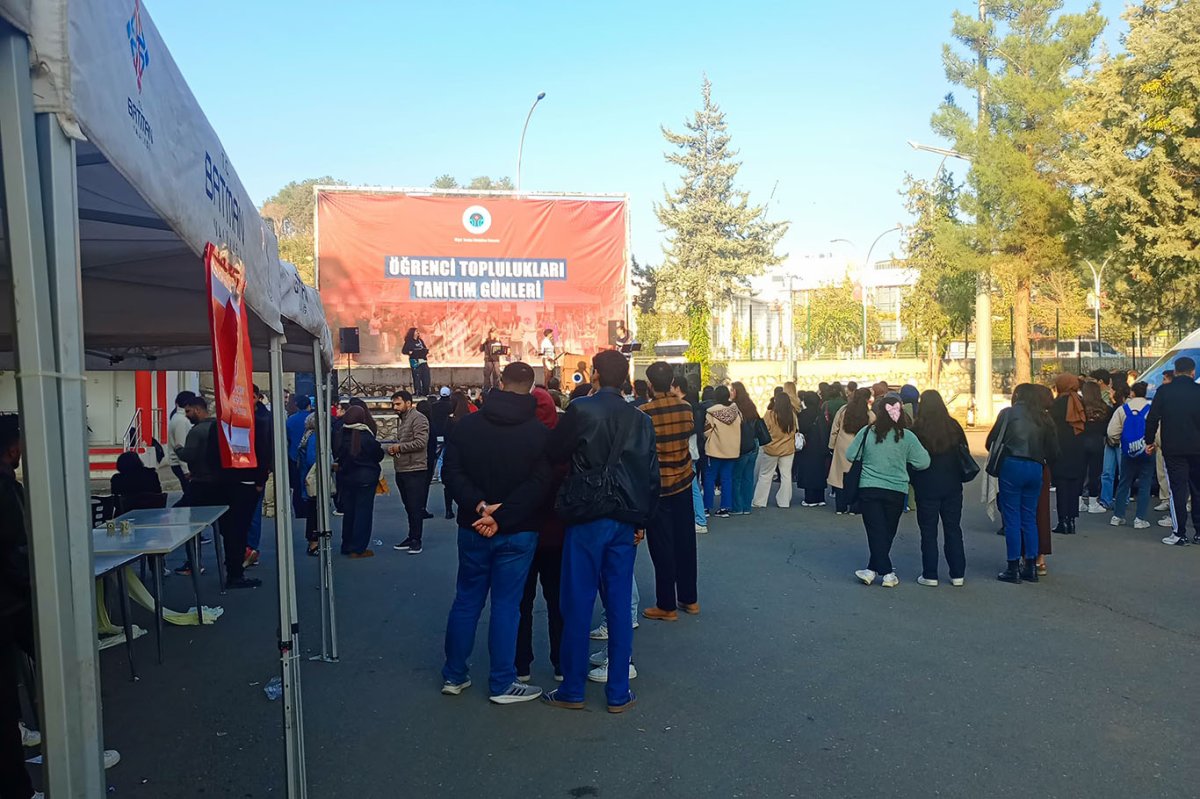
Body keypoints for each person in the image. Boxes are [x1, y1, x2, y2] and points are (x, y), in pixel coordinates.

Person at [543, 350, 658, 714]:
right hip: (624, 517)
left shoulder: (581, 410)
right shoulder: (641, 419)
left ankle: (573, 689)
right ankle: (618, 691)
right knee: (619, 604)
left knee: (576, 602)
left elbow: (554, 451)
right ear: (626, 378)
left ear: (593, 374)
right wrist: (641, 522)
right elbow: (650, 474)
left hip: (586, 514)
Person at [440, 362, 550, 704]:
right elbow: (541, 483)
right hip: (518, 530)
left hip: (473, 526)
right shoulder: (539, 433)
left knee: (467, 599)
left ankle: (454, 675)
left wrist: (479, 507)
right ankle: (502, 682)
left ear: (499, 382)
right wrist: (504, 515)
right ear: (531, 388)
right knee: (507, 605)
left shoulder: (467, 425)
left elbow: (451, 472)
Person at [640, 361, 699, 622]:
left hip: (659, 486)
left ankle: (666, 605)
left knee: (662, 545)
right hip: (684, 481)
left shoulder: (644, 412)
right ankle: (690, 598)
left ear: (650, 385)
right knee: (686, 541)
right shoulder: (686, 408)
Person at [850, 396, 930, 587]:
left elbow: (851, 454)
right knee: (887, 530)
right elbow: (923, 462)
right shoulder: (907, 436)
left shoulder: (868, 432)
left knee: (875, 530)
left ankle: (873, 570)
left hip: (869, 486)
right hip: (896, 489)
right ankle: (885, 572)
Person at [516, 387, 567, 684]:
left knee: (521, 602)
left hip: (523, 530)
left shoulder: (519, 441)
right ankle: (561, 662)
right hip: (557, 535)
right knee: (558, 601)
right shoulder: (562, 444)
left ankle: (521, 664)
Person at [910, 390, 967, 586]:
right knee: (953, 529)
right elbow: (963, 452)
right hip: (952, 484)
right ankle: (957, 573)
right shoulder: (953, 426)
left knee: (928, 531)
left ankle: (930, 574)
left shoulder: (917, 428)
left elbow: (911, 459)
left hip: (926, 485)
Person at [1144, 356, 1200, 546]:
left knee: (1177, 489)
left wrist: (1149, 441)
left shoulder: (1164, 391)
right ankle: (1199, 532)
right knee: (1198, 489)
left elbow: (1152, 418)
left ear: (1175, 371)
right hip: (1197, 448)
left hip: (1173, 448)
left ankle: (1179, 532)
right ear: (1193, 372)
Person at [336, 406, 384, 557]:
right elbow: (378, 454)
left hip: (347, 477)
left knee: (349, 512)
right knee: (363, 512)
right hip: (365, 477)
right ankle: (358, 547)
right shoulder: (366, 436)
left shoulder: (340, 434)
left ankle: (347, 544)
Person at [388, 391, 431, 555]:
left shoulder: (418, 418)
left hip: (415, 469)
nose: (395, 407)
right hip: (403, 468)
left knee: (414, 506)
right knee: (409, 506)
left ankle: (416, 540)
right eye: (393, 404)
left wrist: (399, 448)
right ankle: (411, 536)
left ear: (408, 403)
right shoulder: (404, 420)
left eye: (398, 404)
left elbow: (421, 442)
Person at [1109, 381, 1154, 529]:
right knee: (1145, 483)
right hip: (1147, 449)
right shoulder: (1150, 409)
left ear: (1132, 393)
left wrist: (1119, 441)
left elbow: (1112, 432)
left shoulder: (1123, 409)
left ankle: (1118, 516)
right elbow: (1158, 430)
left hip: (1127, 451)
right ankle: (1139, 519)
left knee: (1124, 482)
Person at [1050, 374, 1087, 534]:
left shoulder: (1056, 404)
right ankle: (1072, 520)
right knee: (1074, 485)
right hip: (1078, 448)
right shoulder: (1080, 402)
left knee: (1062, 486)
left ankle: (1062, 521)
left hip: (1060, 448)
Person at [671, 376, 707, 534]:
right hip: (694, 450)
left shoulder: (684, 406)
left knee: (692, 487)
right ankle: (697, 518)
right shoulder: (695, 405)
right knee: (692, 486)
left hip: (686, 451)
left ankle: (700, 519)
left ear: (677, 388)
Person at [828, 388, 872, 514]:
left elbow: (834, 429)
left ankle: (840, 507)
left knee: (840, 477)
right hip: (860, 448)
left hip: (842, 446)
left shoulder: (843, 410)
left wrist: (831, 446)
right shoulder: (869, 414)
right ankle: (855, 507)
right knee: (857, 477)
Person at [703, 386, 741, 519]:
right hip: (732, 450)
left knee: (709, 478)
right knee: (727, 478)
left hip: (715, 450)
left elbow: (706, 431)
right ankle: (725, 507)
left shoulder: (711, 412)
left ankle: (706, 507)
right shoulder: (736, 411)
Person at [753, 393, 796, 508]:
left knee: (765, 475)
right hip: (788, 449)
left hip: (771, 448)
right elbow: (795, 430)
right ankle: (784, 501)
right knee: (786, 475)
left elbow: (764, 430)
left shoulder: (770, 414)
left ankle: (759, 501)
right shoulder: (792, 415)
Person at [1080, 381, 1110, 515]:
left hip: (1081, 441)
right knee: (1095, 472)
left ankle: (1079, 502)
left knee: (1080, 472)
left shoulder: (1080, 407)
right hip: (1098, 442)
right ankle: (1093, 502)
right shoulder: (1105, 408)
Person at [729, 381, 759, 515]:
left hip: (741, 445)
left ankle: (737, 506)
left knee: (736, 477)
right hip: (754, 443)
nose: (730, 392)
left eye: (732, 390)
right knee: (748, 476)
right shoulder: (751, 405)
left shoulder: (734, 407)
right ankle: (747, 506)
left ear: (736, 392)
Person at [795, 391, 828, 506]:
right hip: (820, 446)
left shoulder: (803, 414)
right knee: (820, 471)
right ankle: (820, 498)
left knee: (808, 472)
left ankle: (810, 498)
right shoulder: (821, 414)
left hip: (807, 446)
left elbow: (800, 429)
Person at [296, 412, 321, 556]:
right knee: (315, 512)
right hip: (314, 479)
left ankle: (313, 541)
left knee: (312, 510)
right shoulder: (315, 437)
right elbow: (313, 459)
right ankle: (313, 542)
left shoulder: (307, 435)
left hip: (306, 477)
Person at [286, 395, 311, 519]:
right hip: (310, 456)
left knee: (296, 485)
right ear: (309, 405)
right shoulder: (312, 419)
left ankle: (298, 509)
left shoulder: (290, 420)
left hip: (294, 456)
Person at [166, 390, 196, 488]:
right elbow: (181, 445)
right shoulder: (181, 421)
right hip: (180, 464)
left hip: (179, 463)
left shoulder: (178, 418)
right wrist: (186, 470)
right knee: (189, 495)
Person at [403, 326, 432, 397]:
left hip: (423, 360)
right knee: (417, 376)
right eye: (416, 331)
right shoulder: (409, 342)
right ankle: (417, 391)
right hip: (414, 360)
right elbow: (404, 351)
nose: (418, 332)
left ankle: (425, 391)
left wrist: (425, 351)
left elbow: (424, 348)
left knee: (426, 376)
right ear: (412, 333)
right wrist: (410, 352)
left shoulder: (420, 341)